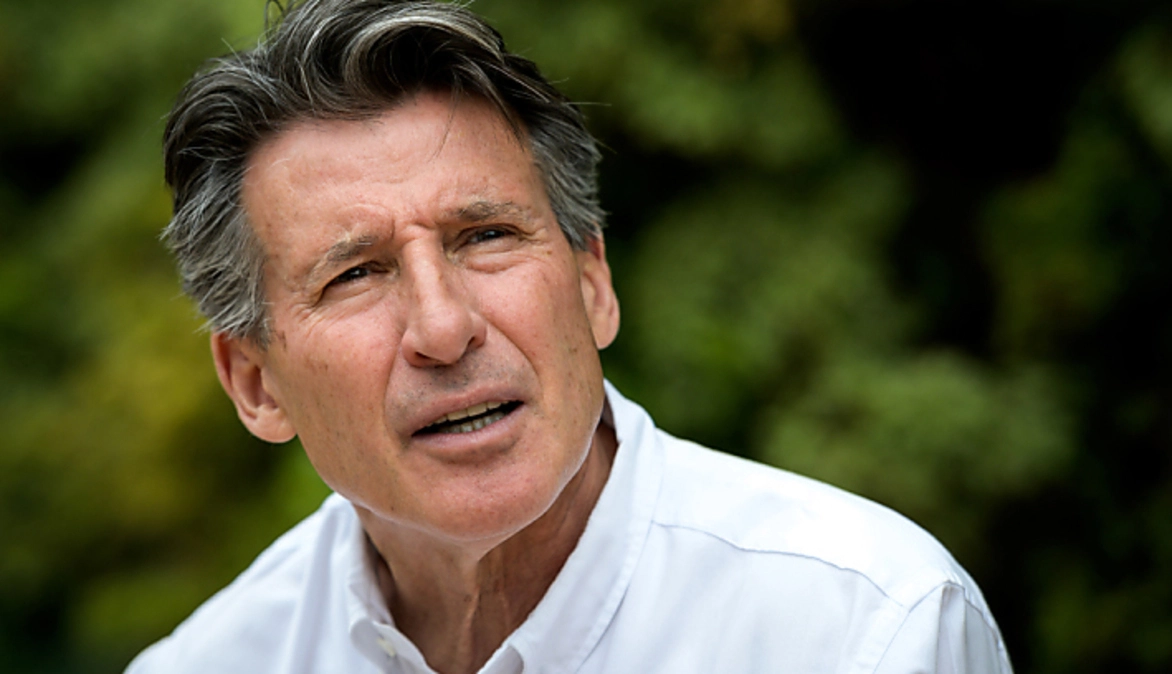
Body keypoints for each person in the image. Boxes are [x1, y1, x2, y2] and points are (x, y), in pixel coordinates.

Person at [127, 1, 1013, 672]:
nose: (445, 327)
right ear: (255, 383)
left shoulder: (868, 630)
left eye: (487, 236)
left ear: (592, 284)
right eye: (354, 274)